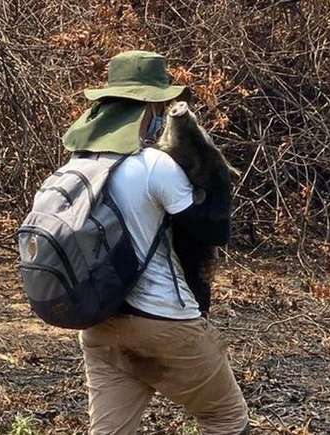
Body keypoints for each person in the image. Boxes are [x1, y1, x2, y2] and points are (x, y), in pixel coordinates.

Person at [62, 51, 249, 434]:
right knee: (228, 420)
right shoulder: (154, 166)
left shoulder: (76, 164)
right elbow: (210, 232)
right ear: (151, 106)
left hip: (99, 325)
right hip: (164, 322)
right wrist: (211, 174)